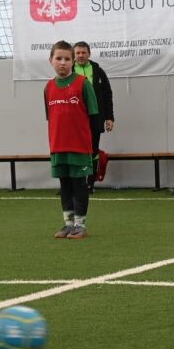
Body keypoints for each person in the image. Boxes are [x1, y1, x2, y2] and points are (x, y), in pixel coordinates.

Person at [45, 40, 98, 239]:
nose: (62, 62)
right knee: (65, 185)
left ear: (73, 61)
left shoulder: (83, 84)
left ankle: (80, 225)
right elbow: (51, 118)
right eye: (58, 58)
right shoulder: (48, 87)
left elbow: (93, 117)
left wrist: (90, 146)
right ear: (51, 60)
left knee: (79, 185)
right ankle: (68, 224)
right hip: (58, 147)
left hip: (79, 147)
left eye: (67, 59)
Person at [73, 42, 114, 192]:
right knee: (75, 151)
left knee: (93, 150)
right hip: (74, 120)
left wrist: (109, 117)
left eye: (83, 52)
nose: (81, 55)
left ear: (89, 54)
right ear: (73, 55)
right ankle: (75, 184)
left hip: (95, 118)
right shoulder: (69, 71)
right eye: (78, 53)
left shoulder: (98, 71)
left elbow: (107, 95)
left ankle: (90, 183)